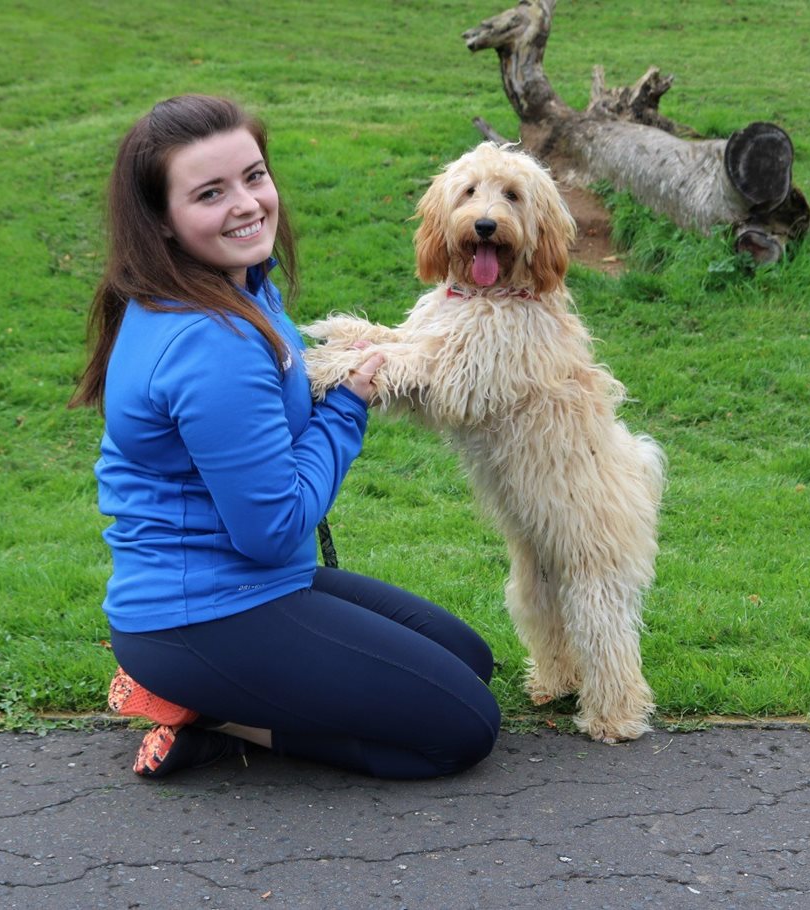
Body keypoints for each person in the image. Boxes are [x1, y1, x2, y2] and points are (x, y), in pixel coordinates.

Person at [69, 95, 500, 780]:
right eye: (210, 192)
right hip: (203, 616)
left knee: (470, 662)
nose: (246, 204)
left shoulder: (234, 285)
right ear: (164, 221)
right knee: (461, 731)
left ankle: (207, 696)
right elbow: (270, 528)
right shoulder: (212, 343)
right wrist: (350, 403)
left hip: (260, 584)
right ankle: (215, 722)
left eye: (254, 175)